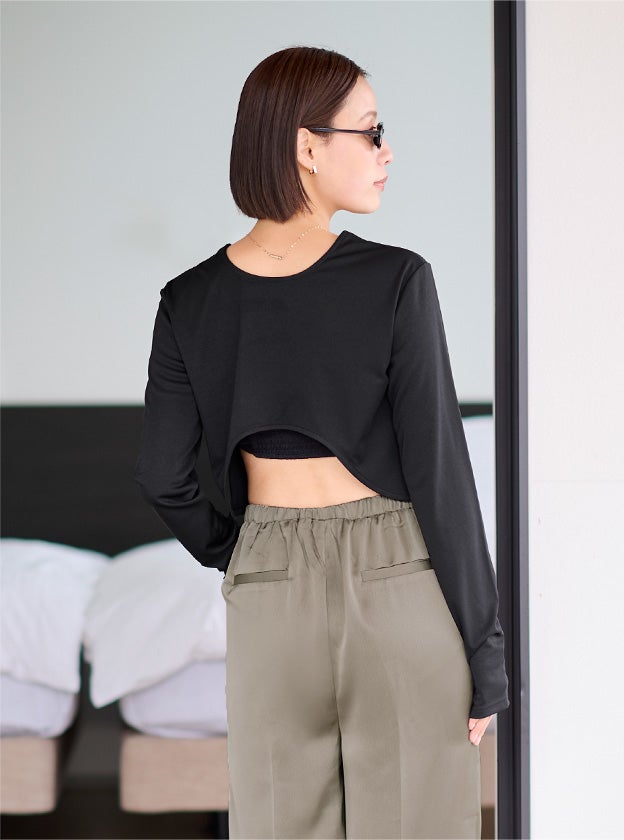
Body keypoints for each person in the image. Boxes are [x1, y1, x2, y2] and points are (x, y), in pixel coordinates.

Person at [134, 45, 509, 840]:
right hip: (396, 577)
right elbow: (440, 474)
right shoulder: (398, 280)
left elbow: (163, 476)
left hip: (269, 585)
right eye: (371, 131)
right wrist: (486, 651)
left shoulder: (188, 300)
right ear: (308, 147)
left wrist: (245, 551)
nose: (386, 151)